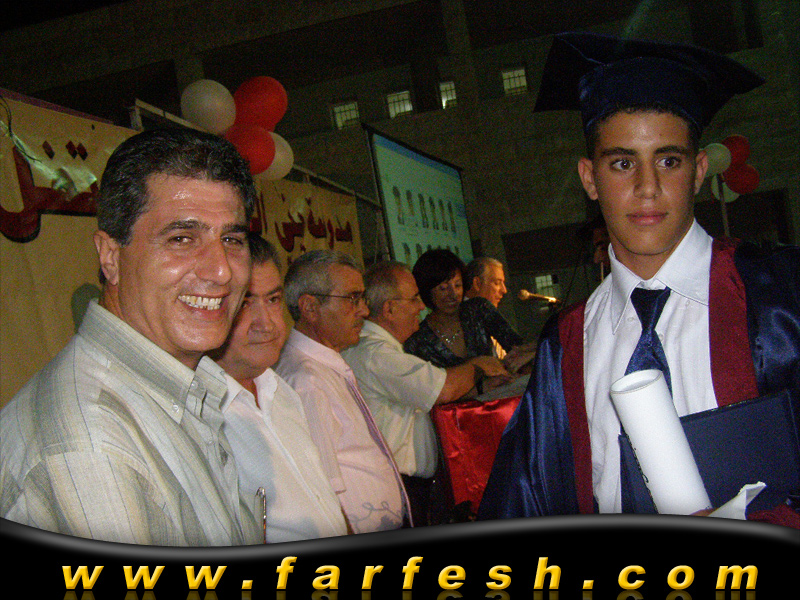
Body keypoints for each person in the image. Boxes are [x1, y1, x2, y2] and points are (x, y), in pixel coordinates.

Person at [479, 32, 800, 526]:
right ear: (589, 178)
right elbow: (527, 502)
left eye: (669, 161)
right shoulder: (567, 344)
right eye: (623, 163)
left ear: (698, 171)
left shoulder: (781, 298)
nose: (647, 187)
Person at [0, 128, 263, 545]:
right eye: (182, 239)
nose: (221, 271)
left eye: (231, 239)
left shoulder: (180, 390)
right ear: (110, 256)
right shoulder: (91, 451)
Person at [341, 260, 509, 525]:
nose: (421, 306)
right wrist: (478, 366)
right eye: (414, 298)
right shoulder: (375, 353)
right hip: (395, 487)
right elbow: (443, 389)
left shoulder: (383, 350)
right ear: (389, 308)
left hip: (408, 485)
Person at [212, 235, 348, 542]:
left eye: (273, 300)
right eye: (245, 303)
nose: (267, 324)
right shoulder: (203, 415)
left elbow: (323, 499)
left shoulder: (281, 391)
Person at [274, 249, 410, 533]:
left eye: (362, 298)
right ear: (310, 307)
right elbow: (322, 491)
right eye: (352, 299)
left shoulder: (325, 366)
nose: (364, 311)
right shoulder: (306, 380)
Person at [404, 248, 534, 376]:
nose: (453, 294)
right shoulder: (418, 340)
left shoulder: (478, 309)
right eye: (443, 288)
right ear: (427, 291)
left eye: (458, 285)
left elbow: (517, 347)